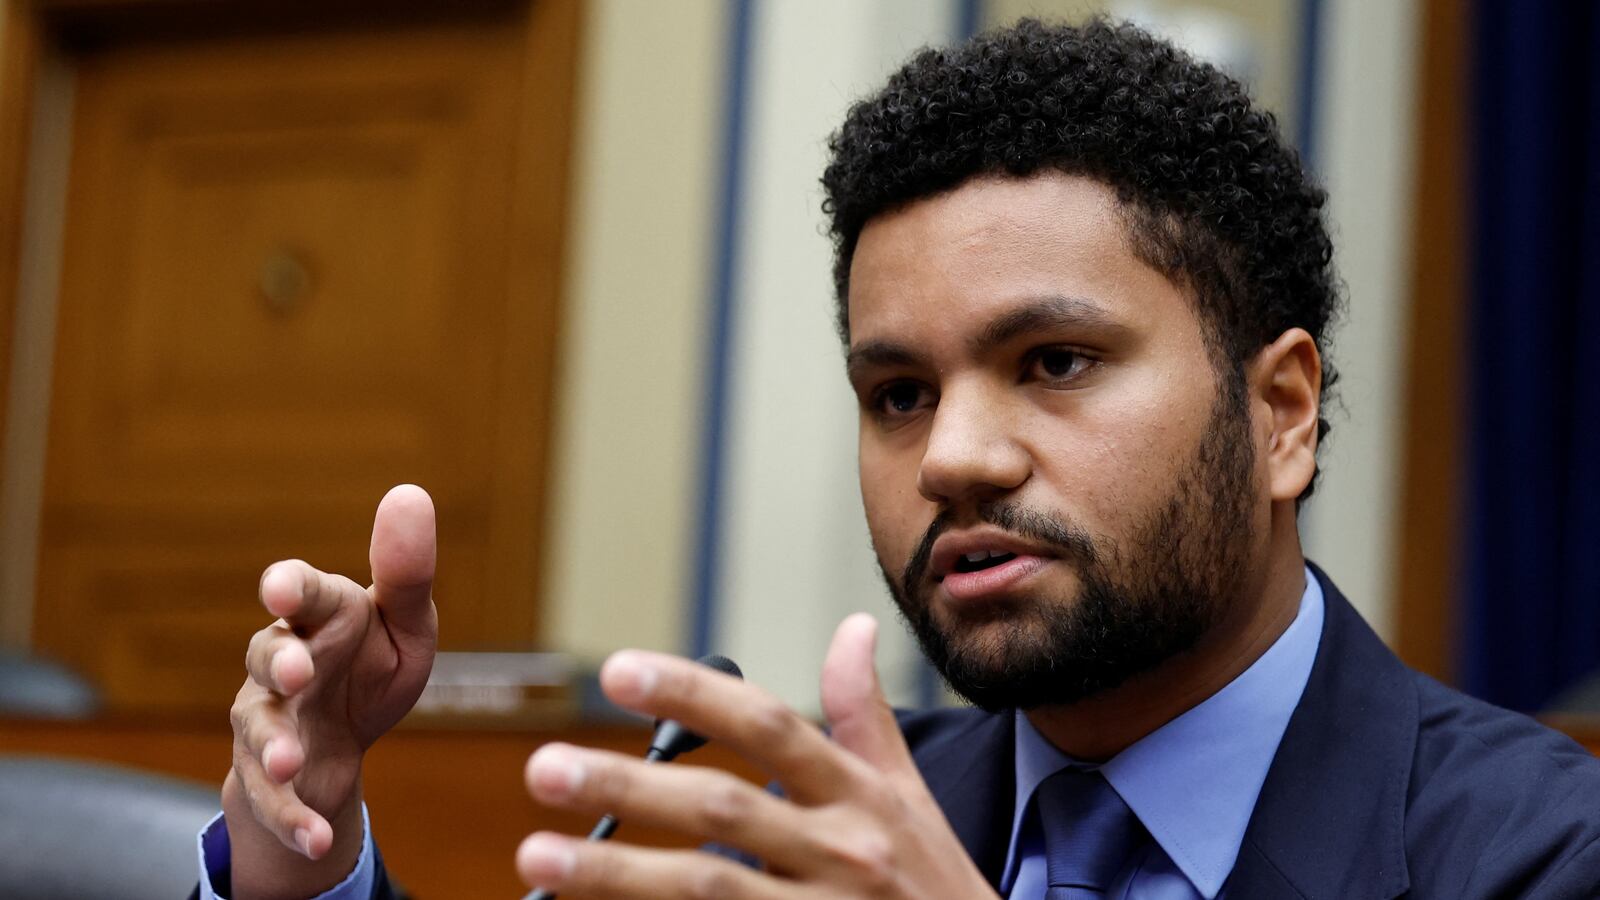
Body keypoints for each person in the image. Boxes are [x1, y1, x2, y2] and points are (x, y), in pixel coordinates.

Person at [196, 18, 1600, 900]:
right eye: (899, 392)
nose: (958, 459)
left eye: (1054, 362)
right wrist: (298, 863)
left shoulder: (1542, 853)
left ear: (1281, 412)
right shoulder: (788, 835)